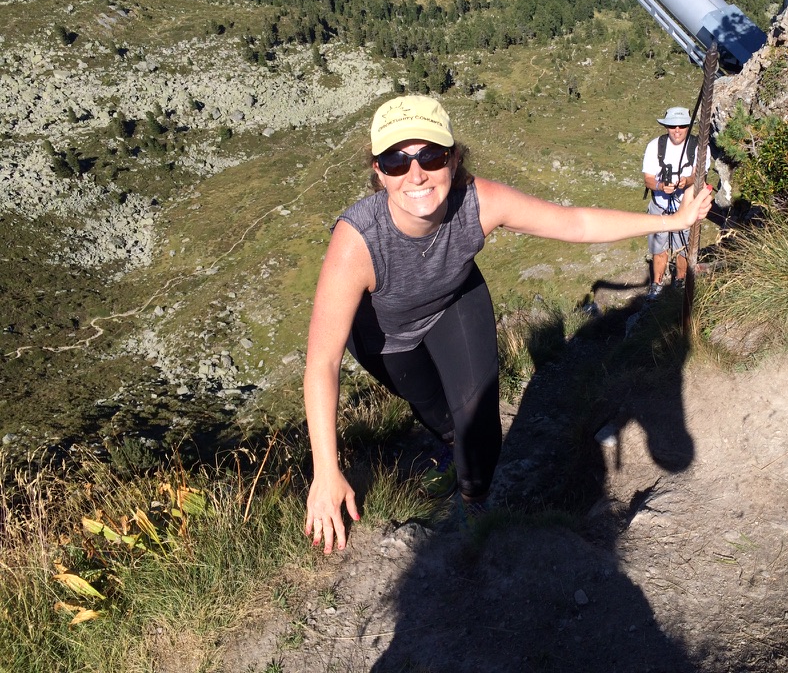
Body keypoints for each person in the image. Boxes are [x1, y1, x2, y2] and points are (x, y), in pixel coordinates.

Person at [304, 95, 713, 553]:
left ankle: (474, 505)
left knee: (479, 425)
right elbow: (322, 363)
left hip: (453, 301)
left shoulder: (478, 202)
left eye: (431, 156)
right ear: (379, 172)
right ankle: (451, 448)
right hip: (386, 336)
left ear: (453, 159)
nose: (415, 174)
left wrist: (676, 219)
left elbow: (575, 223)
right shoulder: (359, 239)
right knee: (438, 415)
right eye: (396, 161)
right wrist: (326, 471)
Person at [641, 106, 711, 299]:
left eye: (682, 126)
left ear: (688, 126)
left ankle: (679, 281)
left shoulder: (699, 148)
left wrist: (686, 181)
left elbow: (699, 175)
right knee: (659, 249)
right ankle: (657, 285)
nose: (677, 130)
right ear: (666, 127)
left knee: (683, 250)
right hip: (660, 206)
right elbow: (648, 179)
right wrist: (661, 186)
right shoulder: (655, 146)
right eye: (672, 126)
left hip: (686, 207)